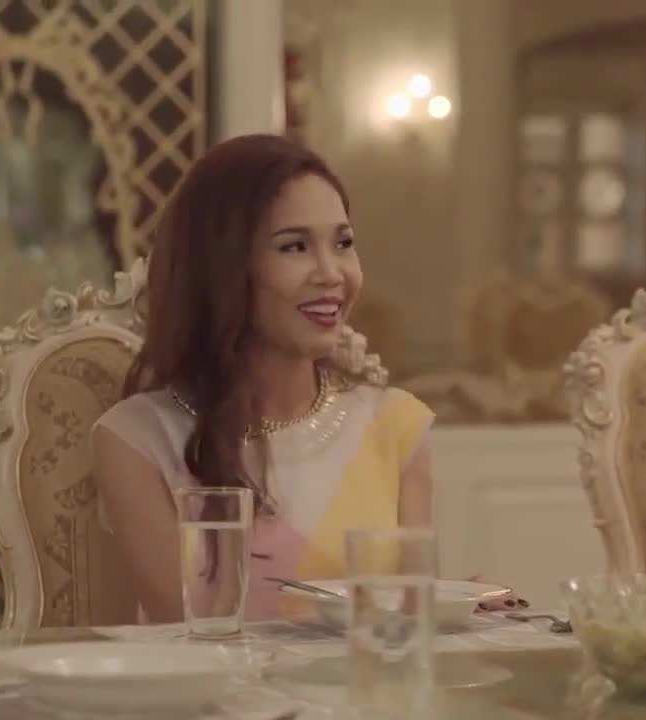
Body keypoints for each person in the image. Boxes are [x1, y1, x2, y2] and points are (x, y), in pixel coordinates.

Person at [92, 134, 520, 621]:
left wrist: (459, 607)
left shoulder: (395, 426)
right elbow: (189, 635)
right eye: (294, 247)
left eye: (343, 243)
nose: (332, 273)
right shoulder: (137, 439)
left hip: (371, 672)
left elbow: (408, 629)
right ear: (220, 268)